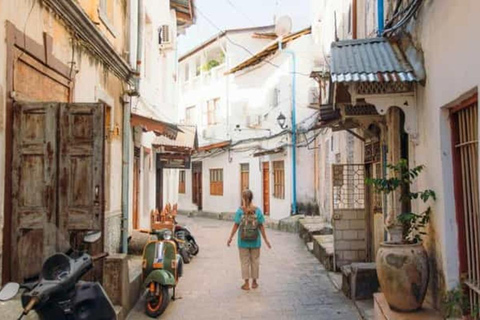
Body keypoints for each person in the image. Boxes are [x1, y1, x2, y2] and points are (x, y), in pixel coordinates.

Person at [227, 189, 271, 290]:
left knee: (244, 261)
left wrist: (230, 238)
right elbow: (261, 226)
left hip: (243, 242)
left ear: (243, 198)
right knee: (255, 261)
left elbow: (236, 225)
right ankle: (254, 283)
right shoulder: (258, 210)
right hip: (256, 241)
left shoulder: (240, 211)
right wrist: (266, 240)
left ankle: (246, 283)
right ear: (252, 198)